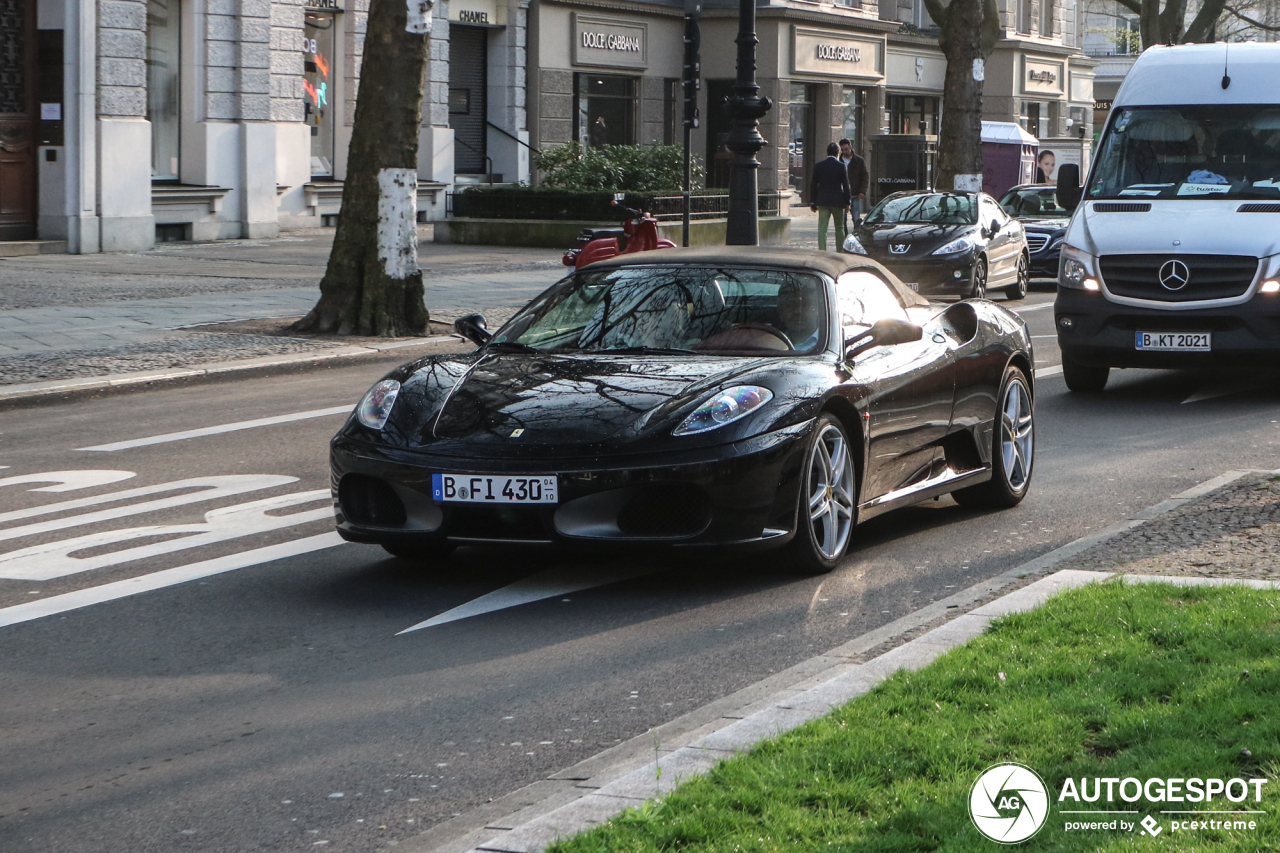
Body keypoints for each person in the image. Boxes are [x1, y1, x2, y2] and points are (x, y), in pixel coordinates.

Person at [810, 142, 850, 252]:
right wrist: (847, 202)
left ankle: (822, 250)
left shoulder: (819, 166)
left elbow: (813, 184)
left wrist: (813, 201)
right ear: (838, 153)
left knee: (822, 228)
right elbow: (846, 186)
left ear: (827, 153)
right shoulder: (841, 166)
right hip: (837, 201)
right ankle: (840, 251)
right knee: (839, 227)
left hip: (823, 200)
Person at [775, 279, 821, 351]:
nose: (798, 311)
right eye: (790, 305)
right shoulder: (769, 345)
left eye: (805, 304)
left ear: (817, 309)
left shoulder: (831, 342)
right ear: (780, 312)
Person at [839, 138, 869, 230]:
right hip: (842, 195)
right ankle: (845, 239)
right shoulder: (839, 161)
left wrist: (862, 191)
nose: (845, 152)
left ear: (850, 147)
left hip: (855, 194)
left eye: (846, 149)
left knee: (856, 218)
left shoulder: (859, 161)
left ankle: (857, 236)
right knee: (842, 220)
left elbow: (865, 176)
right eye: (843, 150)